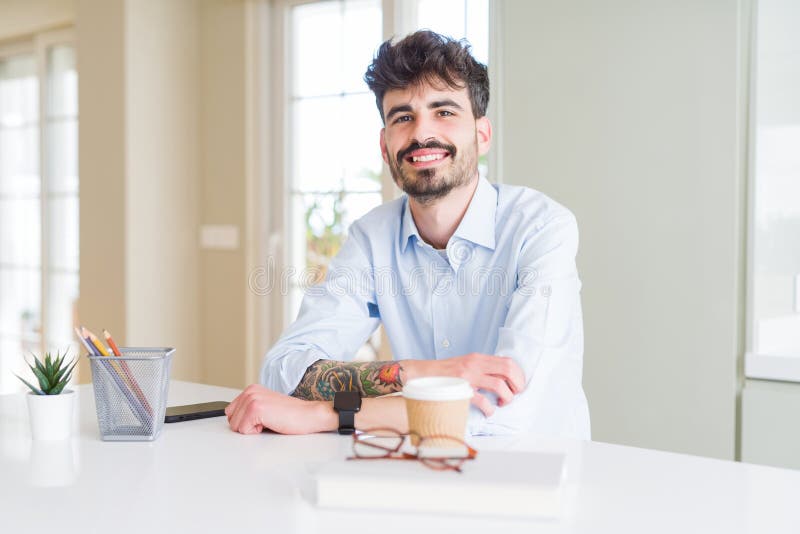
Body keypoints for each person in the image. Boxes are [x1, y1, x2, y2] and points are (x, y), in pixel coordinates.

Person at [225, 30, 590, 439]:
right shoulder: (371, 238)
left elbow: (503, 413)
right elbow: (285, 372)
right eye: (403, 117)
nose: (421, 134)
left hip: (537, 479)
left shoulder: (542, 228)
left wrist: (329, 415)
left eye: (444, 111)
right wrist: (424, 373)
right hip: (421, 470)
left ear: (482, 135)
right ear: (385, 146)